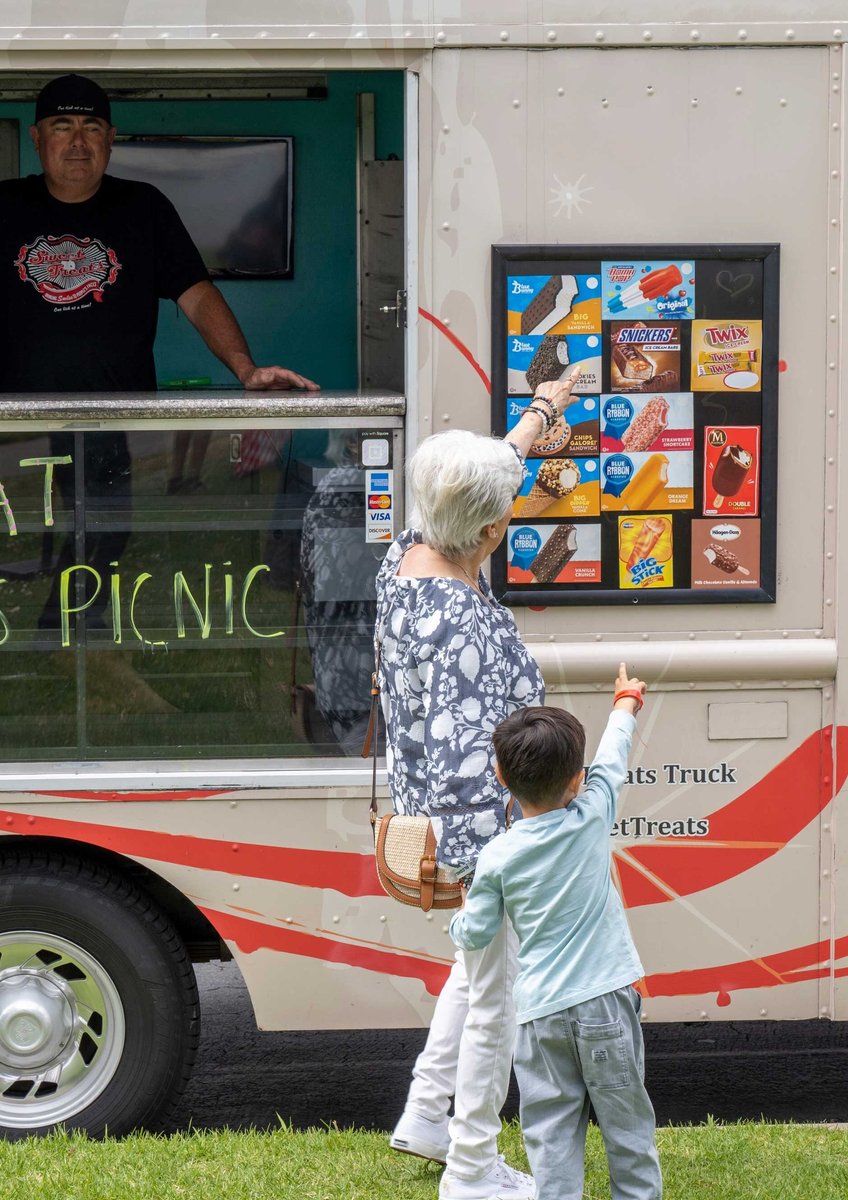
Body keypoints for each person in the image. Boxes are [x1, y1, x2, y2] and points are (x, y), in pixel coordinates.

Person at [379, 366, 582, 1200]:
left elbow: (477, 475)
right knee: (495, 997)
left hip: (446, 822)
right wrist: (499, 866)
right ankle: (470, 1168)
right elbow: (471, 767)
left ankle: (428, 1113)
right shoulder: (460, 620)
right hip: (481, 840)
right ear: (492, 534)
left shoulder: (410, 556)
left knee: (474, 974)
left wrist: (541, 413)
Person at [0, 72, 316, 398]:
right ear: (37, 138)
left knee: (111, 527)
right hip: (22, 414)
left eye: (92, 128)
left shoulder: (145, 206)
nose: (78, 142)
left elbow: (198, 296)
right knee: (29, 525)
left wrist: (245, 370)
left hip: (124, 415)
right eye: (62, 127)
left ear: (111, 139)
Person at [451, 667, 663, 1200]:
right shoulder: (592, 814)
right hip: (605, 1005)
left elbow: (474, 934)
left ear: (500, 775)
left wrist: (459, 909)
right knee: (627, 1126)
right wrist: (624, 703)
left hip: (540, 1014)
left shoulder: (496, 856)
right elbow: (613, 760)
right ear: (576, 780)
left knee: (551, 1133)